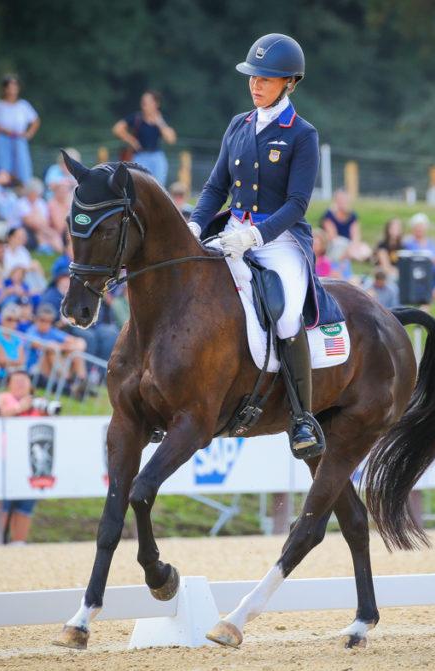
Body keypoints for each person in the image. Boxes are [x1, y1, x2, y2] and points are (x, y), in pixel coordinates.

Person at [187, 33, 326, 457]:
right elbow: (215, 186)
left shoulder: (302, 134)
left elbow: (298, 203)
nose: (255, 84)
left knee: (284, 318)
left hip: (278, 240)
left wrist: (256, 235)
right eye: (253, 76)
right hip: (229, 233)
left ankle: (303, 418)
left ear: (289, 82)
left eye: (266, 78)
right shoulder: (238, 125)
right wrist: (194, 225)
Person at [0, 370, 40, 544]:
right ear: (9, 384)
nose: (21, 384)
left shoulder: (38, 405)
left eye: (25, 381)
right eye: (17, 381)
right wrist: (19, 407)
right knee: (4, 504)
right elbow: (0, 414)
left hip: (31, 462)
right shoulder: (5, 398)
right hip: (6, 459)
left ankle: (18, 543)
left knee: (26, 505)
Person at [112, 90, 176, 186]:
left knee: (158, 186)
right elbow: (117, 128)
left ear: (156, 104)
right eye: (143, 101)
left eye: (148, 101)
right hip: (140, 156)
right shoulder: (137, 117)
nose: (144, 104)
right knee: (139, 185)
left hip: (157, 156)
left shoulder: (161, 120)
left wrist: (160, 122)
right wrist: (131, 140)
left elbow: (171, 139)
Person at [0, 74, 40, 183]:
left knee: (22, 164)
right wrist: (4, 130)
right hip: (2, 138)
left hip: (19, 138)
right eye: (9, 87)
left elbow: (35, 121)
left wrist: (29, 134)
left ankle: (23, 185)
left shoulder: (23, 105)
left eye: (15, 86)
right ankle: (5, 183)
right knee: (3, 165)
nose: (12, 90)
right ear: (4, 88)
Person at [25, 303, 88, 399]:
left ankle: (81, 381)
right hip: (35, 371)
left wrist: (70, 347)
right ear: (36, 319)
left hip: (54, 369)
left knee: (75, 353)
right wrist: (66, 347)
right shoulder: (31, 332)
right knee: (51, 352)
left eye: (49, 321)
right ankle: (69, 384)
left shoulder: (52, 331)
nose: (45, 324)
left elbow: (81, 343)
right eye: (42, 320)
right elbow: (48, 346)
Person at [403, 212, 435, 290]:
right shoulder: (408, 243)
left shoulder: (432, 243)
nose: (419, 229)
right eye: (417, 226)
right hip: (418, 274)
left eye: (421, 226)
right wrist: (433, 260)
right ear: (413, 228)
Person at [13, 177, 62, 253]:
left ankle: (49, 247)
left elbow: (45, 221)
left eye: (37, 194)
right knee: (48, 233)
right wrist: (47, 231)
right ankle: (46, 246)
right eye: (34, 193)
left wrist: (45, 229)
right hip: (23, 229)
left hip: (40, 229)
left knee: (48, 233)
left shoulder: (41, 203)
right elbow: (28, 222)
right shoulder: (21, 203)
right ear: (29, 192)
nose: (35, 196)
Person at [320, 188, 369, 261]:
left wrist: (354, 245)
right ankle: (353, 257)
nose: (343, 202)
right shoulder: (329, 215)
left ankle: (352, 255)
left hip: (349, 245)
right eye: (340, 199)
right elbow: (332, 236)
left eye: (345, 199)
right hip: (335, 244)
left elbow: (356, 235)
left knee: (364, 248)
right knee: (339, 245)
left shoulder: (352, 215)